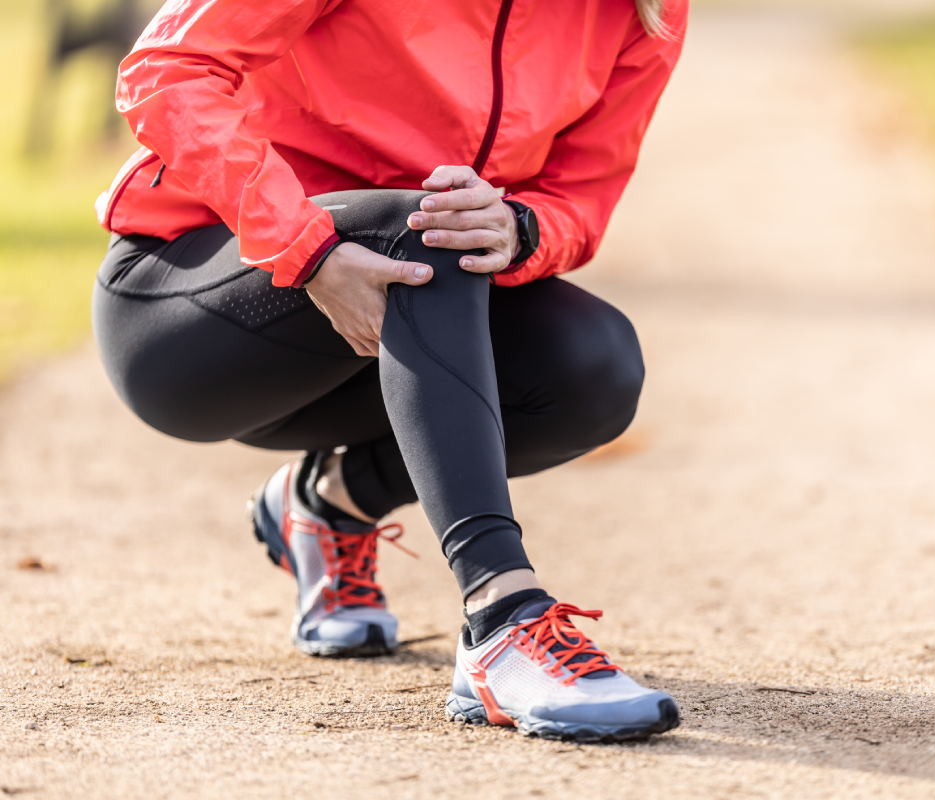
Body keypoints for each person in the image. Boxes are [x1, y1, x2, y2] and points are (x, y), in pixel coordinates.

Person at [90, 0, 687, 742]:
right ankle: (503, 614)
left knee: (590, 366)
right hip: (198, 309)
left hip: (400, 321)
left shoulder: (644, 10)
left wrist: (518, 226)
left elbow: (580, 194)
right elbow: (167, 68)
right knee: (428, 230)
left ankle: (328, 503)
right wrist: (303, 247)